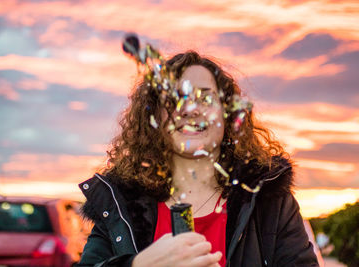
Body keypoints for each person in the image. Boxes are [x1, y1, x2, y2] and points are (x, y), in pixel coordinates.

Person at [75, 51, 319, 267]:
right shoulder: (122, 203)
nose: (190, 109)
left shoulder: (268, 200)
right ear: (156, 118)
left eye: (205, 98)